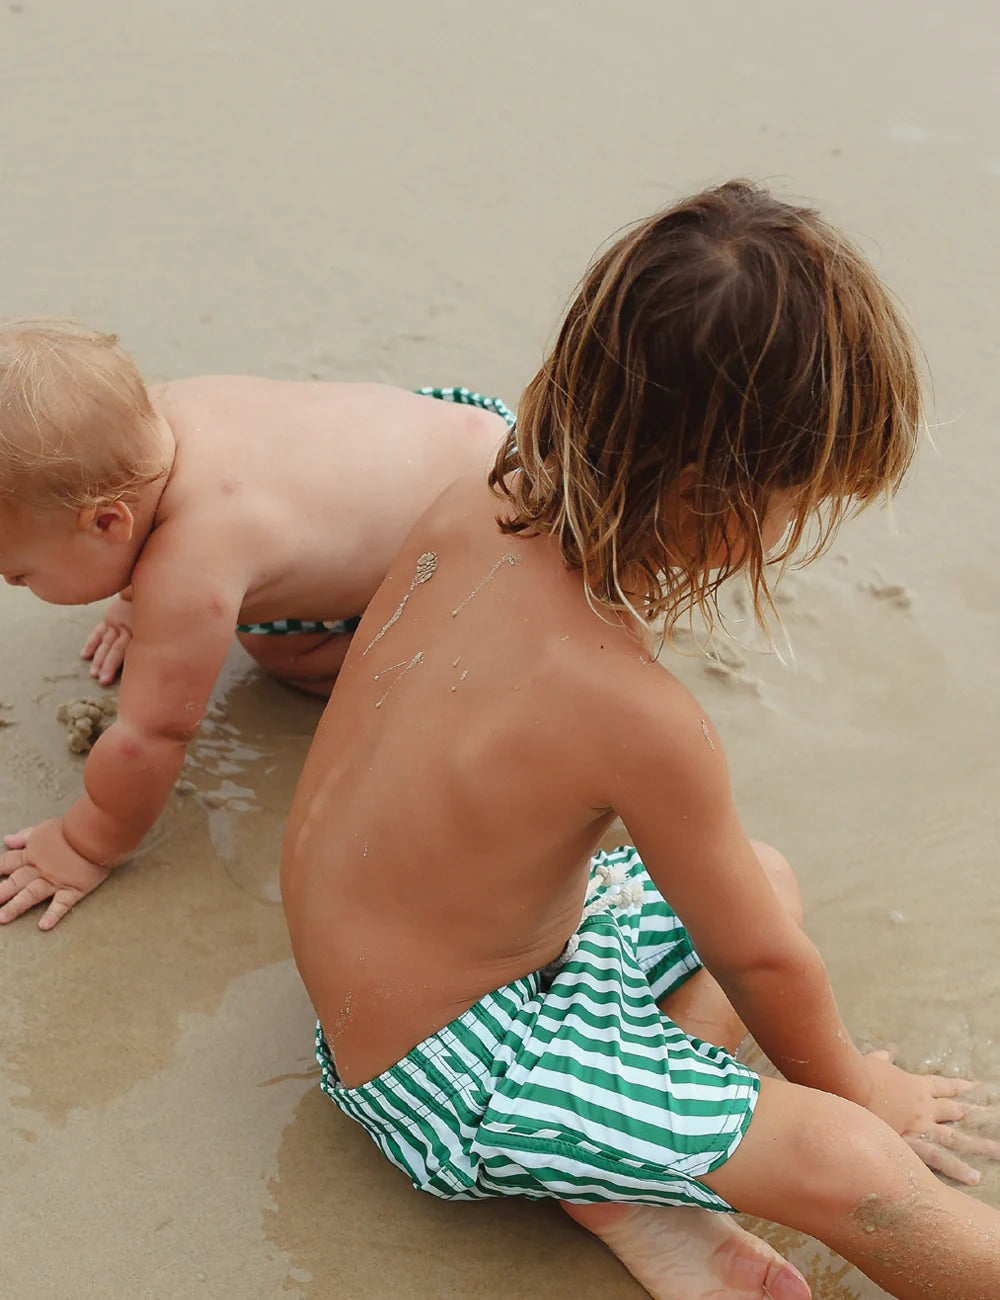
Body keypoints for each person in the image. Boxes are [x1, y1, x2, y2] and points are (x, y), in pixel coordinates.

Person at [280, 181, 1000, 1299]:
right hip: (442, 1067)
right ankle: (620, 1158)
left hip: (389, 971)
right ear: (716, 497)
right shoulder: (632, 711)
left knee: (762, 877)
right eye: (795, 502)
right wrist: (858, 1087)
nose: (793, 529)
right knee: (845, 1158)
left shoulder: (476, 496)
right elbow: (760, 963)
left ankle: (625, 1182)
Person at [0, 321, 512, 929]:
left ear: (109, 525)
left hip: (487, 545)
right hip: (471, 436)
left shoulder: (191, 566)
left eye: (21, 573)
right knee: (265, 609)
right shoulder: (160, 416)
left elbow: (152, 734)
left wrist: (83, 844)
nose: (11, 585)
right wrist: (135, 598)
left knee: (281, 647)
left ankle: (431, 672)